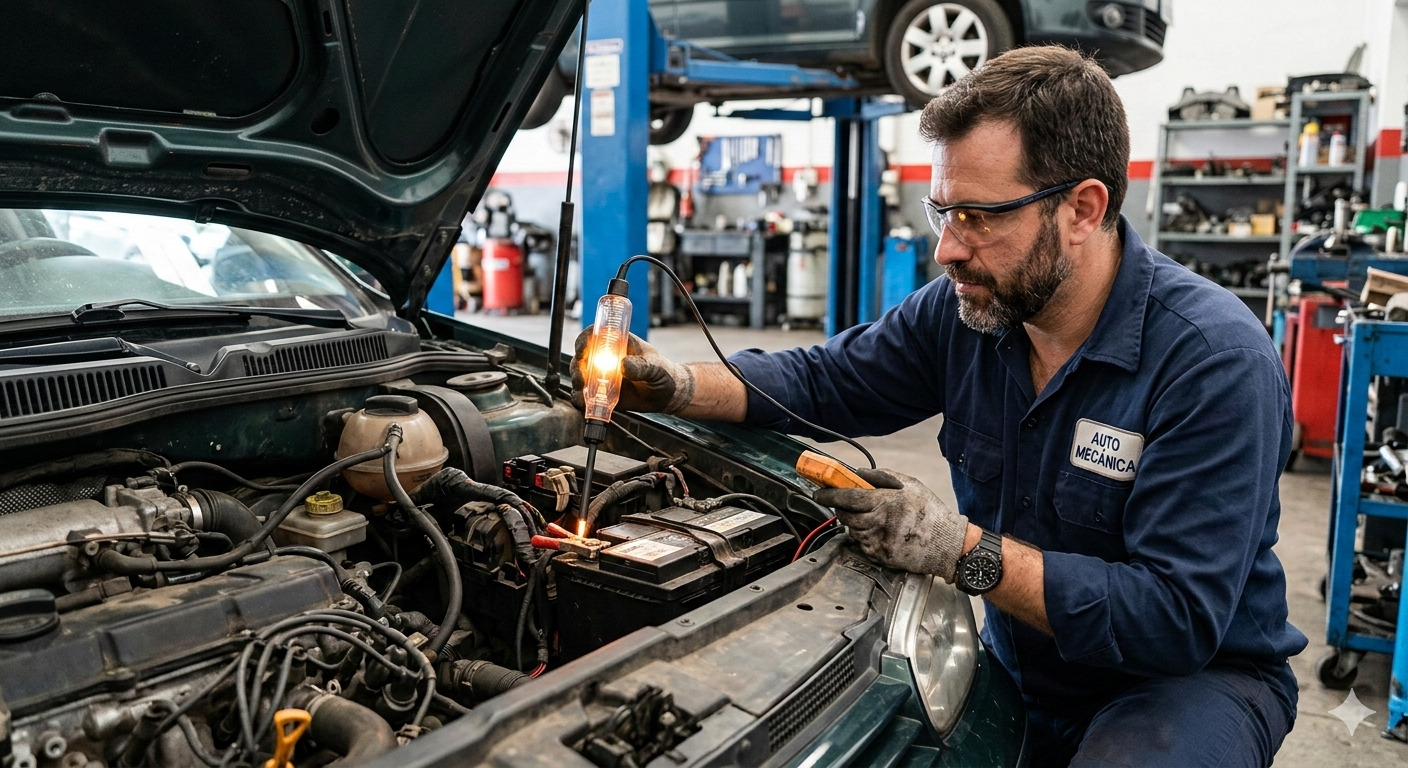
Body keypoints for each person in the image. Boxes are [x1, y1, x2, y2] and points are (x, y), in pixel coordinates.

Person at [572, 45, 1307, 767]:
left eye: (979, 217)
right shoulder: (970, 312)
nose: (947, 251)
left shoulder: (1212, 363)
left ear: (1083, 209)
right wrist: (680, 384)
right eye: (942, 212)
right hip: (1024, 664)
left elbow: (1172, 621)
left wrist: (962, 551)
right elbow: (827, 380)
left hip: (1185, 687)